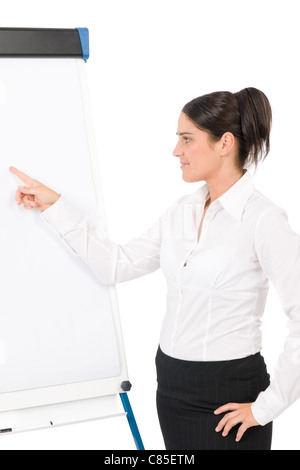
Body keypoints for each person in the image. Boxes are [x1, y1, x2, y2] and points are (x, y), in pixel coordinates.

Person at [9, 87, 300, 450]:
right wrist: (55, 206)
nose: (176, 150)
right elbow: (117, 264)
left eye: (186, 139)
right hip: (172, 386)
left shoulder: (264, 220)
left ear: (224, 143)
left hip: (228, 395)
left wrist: (266, 408)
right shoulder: (182, 211)